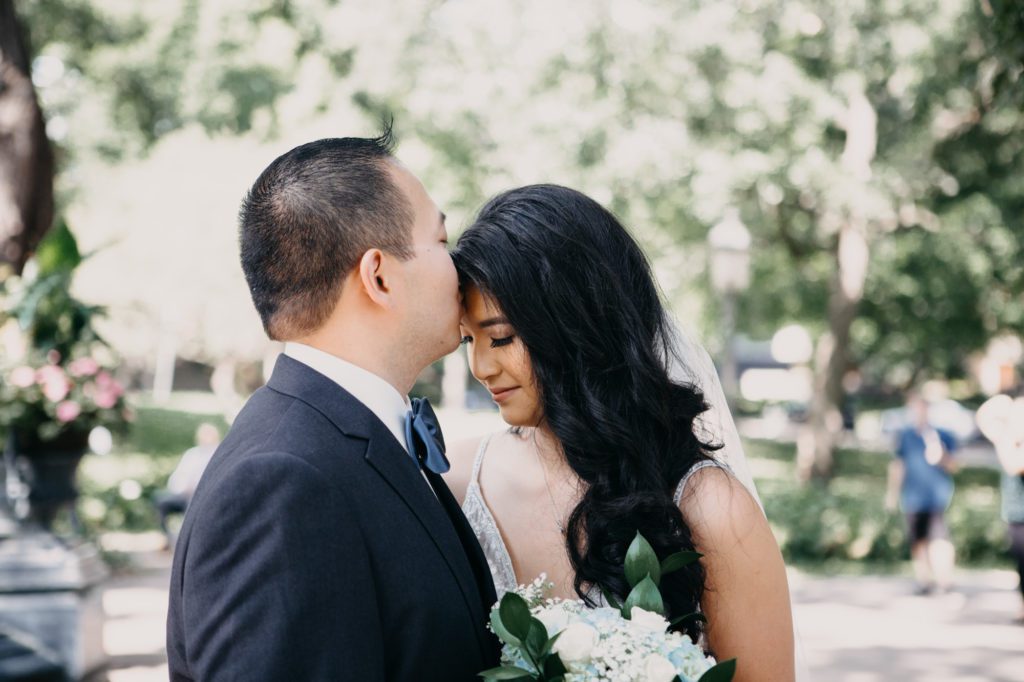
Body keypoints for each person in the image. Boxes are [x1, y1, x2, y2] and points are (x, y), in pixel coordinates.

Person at [166, 131, 499, 681]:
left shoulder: (347, 437)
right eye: (442, 243)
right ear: (379, 276)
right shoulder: (280, 484)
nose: (460, 269)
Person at [444, 184, 796, 681]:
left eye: (501, 337)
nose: (480, 366)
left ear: (574, 324)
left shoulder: (711, 509)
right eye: (468, 340)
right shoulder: (455, 482)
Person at [885, 392, 958, 594]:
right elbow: (898, 465)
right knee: (918, 540)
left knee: (941, 539)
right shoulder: (905, 436)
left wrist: (940, 455)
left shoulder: (943, 435)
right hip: (912, 496)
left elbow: (954, 465)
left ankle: (945, 581)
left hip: (937, 496)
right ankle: (924, 581)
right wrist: (892, 494)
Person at [976, 392, 1024, 624]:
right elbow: (983, 417)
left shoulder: (1011, 444)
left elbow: (1016, 466)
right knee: (1021, 563)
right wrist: (1005, 403)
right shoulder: (1007, 439)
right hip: (1016, 512)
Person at [154, 423, 220, 546]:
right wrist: (182, 487)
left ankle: (189, 543)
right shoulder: (192, 454)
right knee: (161, 501)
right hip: (185, 494)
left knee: (192, 506)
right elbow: (177, 477)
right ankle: (169, 540)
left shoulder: (218, 454)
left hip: (205, 496)